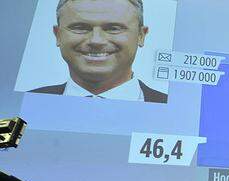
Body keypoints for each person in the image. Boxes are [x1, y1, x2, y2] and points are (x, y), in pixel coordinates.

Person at [31, 0, 167, 103]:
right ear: (58, 35)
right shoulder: (27, 101)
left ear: (141, 36)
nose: (96, 41)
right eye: (80, 27)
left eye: (113, 28)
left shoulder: (173, 111)